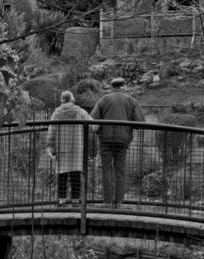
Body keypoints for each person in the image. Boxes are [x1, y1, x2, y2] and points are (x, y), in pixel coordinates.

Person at [90, 77, 145, 208]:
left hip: (106, 140)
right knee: (120, 170)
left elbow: (92, 119)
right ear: (123, 86)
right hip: (123, 140)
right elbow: (140, 123)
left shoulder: (104, 99)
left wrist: (99, 131)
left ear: (111, 86)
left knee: (106, 169)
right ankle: (119, 202)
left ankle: (107, 201)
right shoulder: (131, 100)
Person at [46, 91, 93, 205]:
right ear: (72, 99)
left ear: (62, 100)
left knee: (62, 174)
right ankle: (76, 200)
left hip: (62, 148)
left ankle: (61, 200)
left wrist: (50, 146)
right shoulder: (81, 112)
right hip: (77, 148)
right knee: (75, 174)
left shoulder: (56, 113)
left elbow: (51, 131)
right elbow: (93, 126)